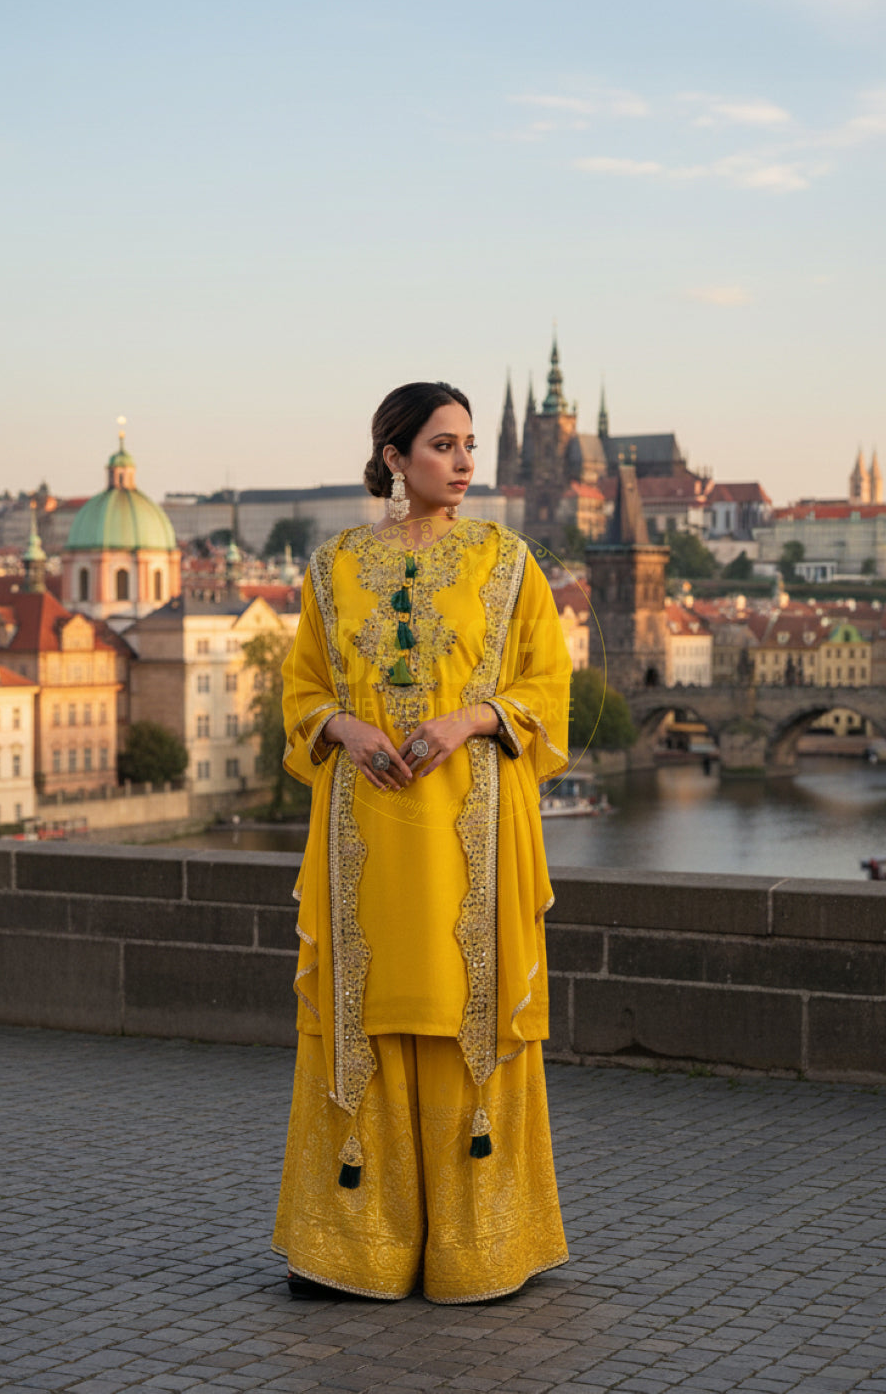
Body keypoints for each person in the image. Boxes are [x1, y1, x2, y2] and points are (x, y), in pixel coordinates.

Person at [273, 380, 572, 1304]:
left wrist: (471, 719)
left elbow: (549, 690)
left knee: (462, 1008)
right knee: (363, 1012)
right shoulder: (333, 568)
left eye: (471, 445)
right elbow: (302, 691)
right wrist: (344, 730)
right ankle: (350, 1247)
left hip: (468, 828)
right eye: (444, 445)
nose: (466, 463)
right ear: (396, 458)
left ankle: (478, 1246)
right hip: (366, 830)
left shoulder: (510, 562)